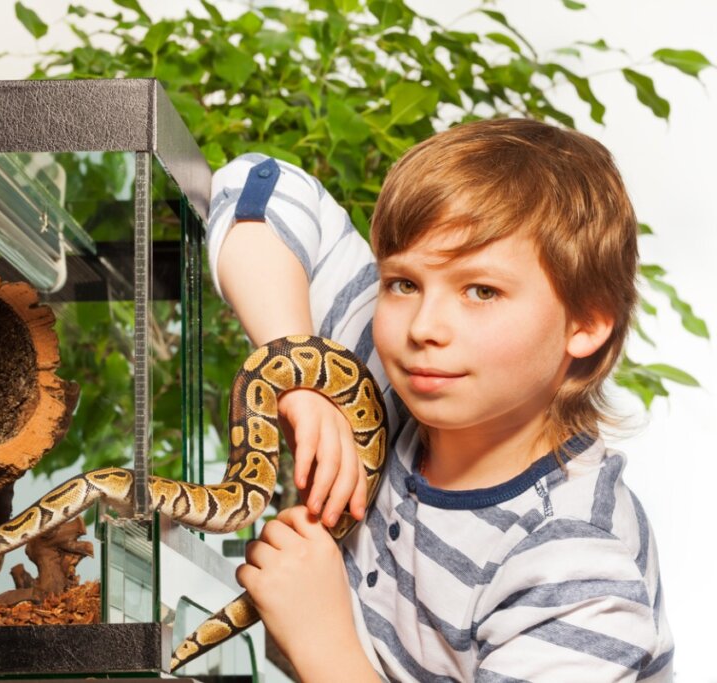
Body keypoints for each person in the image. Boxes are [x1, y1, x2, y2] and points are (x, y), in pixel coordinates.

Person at [207, 118, 674, 682]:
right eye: (403, 283)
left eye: (482, 291)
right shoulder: (385, 373)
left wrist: (321, 642)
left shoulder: (577, 569)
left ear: (587, 322)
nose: (425, 326)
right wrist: (302, 380)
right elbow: (259, 185)